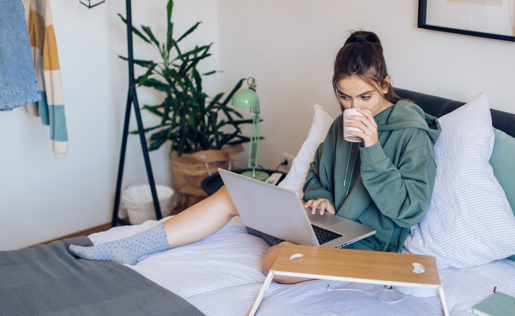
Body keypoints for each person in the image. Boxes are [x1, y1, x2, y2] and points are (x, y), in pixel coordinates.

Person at [69, 30, 441, 284]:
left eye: (366, 98)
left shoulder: (411, 132)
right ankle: (133, 247)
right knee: (234, 194)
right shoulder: (339, 126)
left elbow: (410, 209)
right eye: (344, 97)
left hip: (367, 246)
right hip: (323, 228)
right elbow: (316, 176)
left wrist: (373, 149)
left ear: (386, 84)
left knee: (276, 263)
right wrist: (319, 197)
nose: (353, 108)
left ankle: (291, 246)